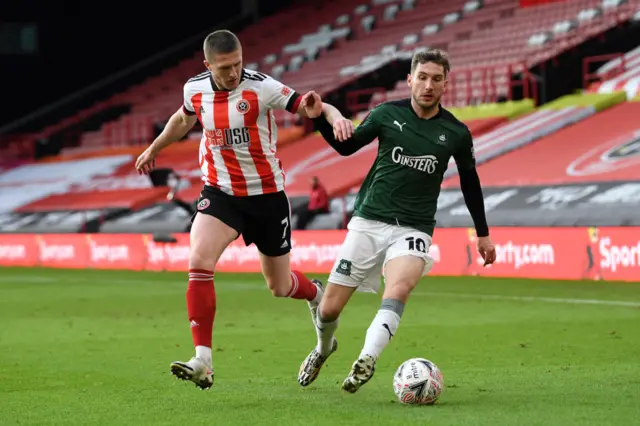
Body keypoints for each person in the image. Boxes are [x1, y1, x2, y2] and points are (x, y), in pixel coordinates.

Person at [134, 29, 348, 390]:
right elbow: (184, 119)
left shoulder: (260, 87)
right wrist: (155, 148)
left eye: (237, 64)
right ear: (207, 66)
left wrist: (332, 114)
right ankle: (203, 359)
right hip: (220, 193)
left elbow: (312, 105)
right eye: (224, 68)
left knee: (279, 286)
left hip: (266, 197)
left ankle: (313, 291)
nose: (233, 73)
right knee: (198, 259)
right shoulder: (194, 89)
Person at [297, 48, 497, 393]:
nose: (428, 85)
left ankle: (367, 358)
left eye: (436, 79)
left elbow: (470, 181)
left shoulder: (456, 133)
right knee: (328, 310)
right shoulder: (386, 114)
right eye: (422, 77)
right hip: (369, 221)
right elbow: (347, 148)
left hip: (414, 227)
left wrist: (483, 234)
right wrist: (318, 119)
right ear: (410, 80)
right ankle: (323, 348)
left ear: (445, 84)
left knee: (399, 287)